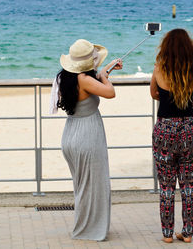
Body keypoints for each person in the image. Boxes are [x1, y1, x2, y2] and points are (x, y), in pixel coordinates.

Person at [50, 39, 123, 241]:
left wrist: (104, 72)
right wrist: (104, 78)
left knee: (82, 186)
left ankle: (85, 226)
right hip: (87, 135)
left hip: (71, 133)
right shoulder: (84, 79)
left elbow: (93, 81)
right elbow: (110, 92)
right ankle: (88, 230)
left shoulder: (65, 77)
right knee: (93, 185)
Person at [150, 29, 193, 243]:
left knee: (166, 186)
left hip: (165, 129)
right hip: (189, 127)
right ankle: (188, 233)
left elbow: (153, 93)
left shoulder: (159, 68)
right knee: (189, 184)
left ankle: (167, 234)